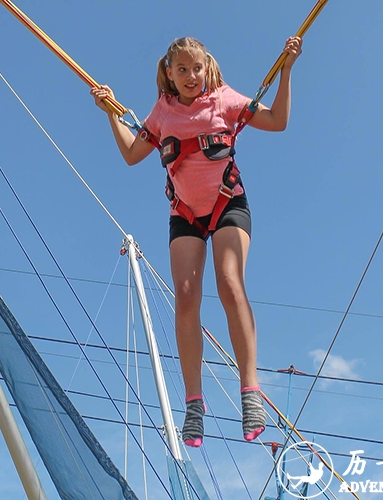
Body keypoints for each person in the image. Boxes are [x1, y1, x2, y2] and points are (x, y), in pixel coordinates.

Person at [91, 36, 302, 447]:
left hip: (227, 203)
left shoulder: (224, 99)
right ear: (169, 73)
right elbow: (133, 155)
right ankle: (193, 403)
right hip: (184, 212)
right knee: (186, 296)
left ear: (208, 68)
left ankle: (250, 390)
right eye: (182, 69)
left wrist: (287, 70)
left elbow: (277, 120)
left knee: (229, 281)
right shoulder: (161, 113)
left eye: (197, 68)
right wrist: (110, 113)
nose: (191, 76)